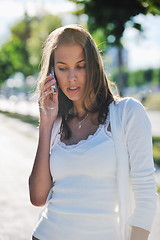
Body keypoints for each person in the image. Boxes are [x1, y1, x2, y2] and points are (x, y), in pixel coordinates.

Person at [29, 24, 157, 240]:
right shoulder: (57, 123)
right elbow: (38, 197)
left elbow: (145, 196)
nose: (72, 77)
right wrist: (46, 122)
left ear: (94, 66)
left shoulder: (127, 113)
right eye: (62, 68)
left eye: (80, 66)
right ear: (52, 74)